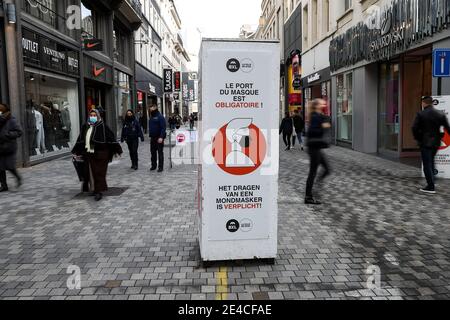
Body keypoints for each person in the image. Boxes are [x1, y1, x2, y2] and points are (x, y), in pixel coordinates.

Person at [72, 109, 122, 201]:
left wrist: (117, 149)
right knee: (90, 172)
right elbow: (80, 139)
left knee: (99, 173)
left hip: (101, 154)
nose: (93, 117)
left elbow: (111, 138)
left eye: (95, 115)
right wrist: (76, 151)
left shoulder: (102, 126)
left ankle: (99, 191)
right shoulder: (85, 126)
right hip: (89, 154)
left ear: (98, 116)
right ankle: (94, 189)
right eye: (91, 115)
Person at [412, 96, 450, 194]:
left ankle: (430, 186)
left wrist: (418, 138)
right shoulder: (440, 114)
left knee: (427, 164)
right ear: (432, 103)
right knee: (431, 161)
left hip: (425, 142)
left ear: (424, 103)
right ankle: (432, 180)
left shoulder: (421, 114)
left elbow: (414, 128)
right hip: (436, 142)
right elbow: (447, 128)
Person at [305, 99, 331, 205]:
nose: (324, 104)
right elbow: (312, 131)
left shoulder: (318, 115)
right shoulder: (315, 116)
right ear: (317, 106)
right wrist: (323, 126)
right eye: (321, 103)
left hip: (316, 147)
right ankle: (309, 196)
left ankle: (315, 189)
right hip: (314, 148)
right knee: (313, 172)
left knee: (327, 169)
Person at [0, 103, 23, 192]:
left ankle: (18, 178)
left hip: (9, 147)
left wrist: (8, 134)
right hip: (0, 147)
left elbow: (19, 132)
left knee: (10, 166)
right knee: (0, 168)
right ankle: (4, 186)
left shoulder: (11, 120)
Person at [149, 105, 166, 172]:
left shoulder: (160, 116)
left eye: (152, 108)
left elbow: (163, 128)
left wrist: (161, 137)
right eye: (150, 108)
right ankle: (153, 165)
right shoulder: (151, 116)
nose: (151, 109)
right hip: (152, 138)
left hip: (159, 137)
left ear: (155, 108)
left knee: (160, 153)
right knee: (153, 152)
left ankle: (160, 167)